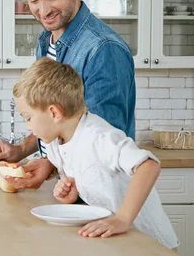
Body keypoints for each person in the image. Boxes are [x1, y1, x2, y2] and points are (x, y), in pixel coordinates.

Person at [0, 0, 136, 190]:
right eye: (33, 0)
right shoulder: (47, 40)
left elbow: (105, 139)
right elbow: (55, 118)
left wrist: (50, 165)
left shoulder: (103, 49)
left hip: (103, 193)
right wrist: (23, 149)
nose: (43, 11)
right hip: (71, 185)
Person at [14, 58, 178, 248]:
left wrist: (122, 219)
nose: (28, 126)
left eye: (28, 118)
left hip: (149, 242)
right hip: (117, 240)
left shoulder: (99, 136)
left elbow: (149, 166)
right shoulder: (56, 142)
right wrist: (73, 193)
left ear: (53, 113)